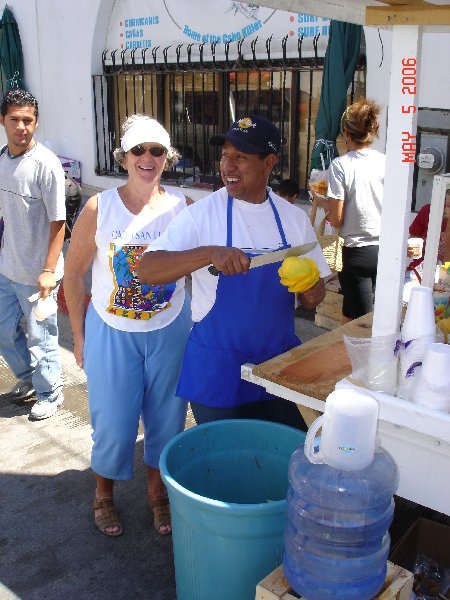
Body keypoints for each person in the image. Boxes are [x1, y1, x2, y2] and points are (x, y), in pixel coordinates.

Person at [137, 114, 330, 427]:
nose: (227, 166)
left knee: (281, 453)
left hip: (277, 365)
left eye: (241, 157)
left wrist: (313, 291)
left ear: (269, 163)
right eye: (225, 155)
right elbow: (146, 270)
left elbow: (312, 299)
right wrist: (209, 253)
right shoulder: (201, 215)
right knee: (222, 461)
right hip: (217, 367)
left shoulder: (294, 221)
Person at [63, 115, 192, 537]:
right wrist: (80, 338)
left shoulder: (181, 208)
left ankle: (158, 496)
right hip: (112, 333)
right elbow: (74, 273)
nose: (147, 158)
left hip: (169, 329)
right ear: (124, 157)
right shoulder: (100, 208)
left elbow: (196, 272)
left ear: (167, 158)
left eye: (157, 150)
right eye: (139, 150)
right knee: (113, 423)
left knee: (168, 420)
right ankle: (103, 494)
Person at [0, 89, 66, 419]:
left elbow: (59, 222)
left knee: (42, 338)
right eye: (15, 119)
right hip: (7, 267)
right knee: (4, 332)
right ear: (3, 120)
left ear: (36, 122)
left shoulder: (46, 165)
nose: (21, 126)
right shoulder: (1, 160)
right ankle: (27, 380)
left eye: (28, 120)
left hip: (39, 273)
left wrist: (48, 270)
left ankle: (50, 393)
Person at [317, 99, 385, 323]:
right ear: (372, 131)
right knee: (381, 319)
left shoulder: (341, 165)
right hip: (385, 251)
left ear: (346, 132)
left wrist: (321, 200)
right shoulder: (386, 162)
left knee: (355, 325)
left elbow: (336, 220)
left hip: (356, 253)